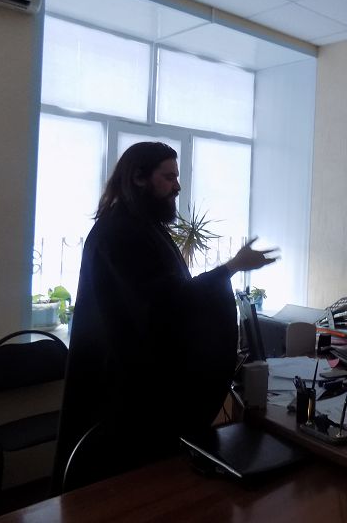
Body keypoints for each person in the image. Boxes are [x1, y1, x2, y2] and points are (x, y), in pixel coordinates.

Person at [52, 142, 278, 491]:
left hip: (139, 387)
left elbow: (172, 297)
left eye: (177, 176)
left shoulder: (143, 226)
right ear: (139, 178)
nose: (177, 186)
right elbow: (165, 304)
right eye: (169, 177)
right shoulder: (120, 233)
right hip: (123, 392)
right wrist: (232, 267)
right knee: (123, 492)